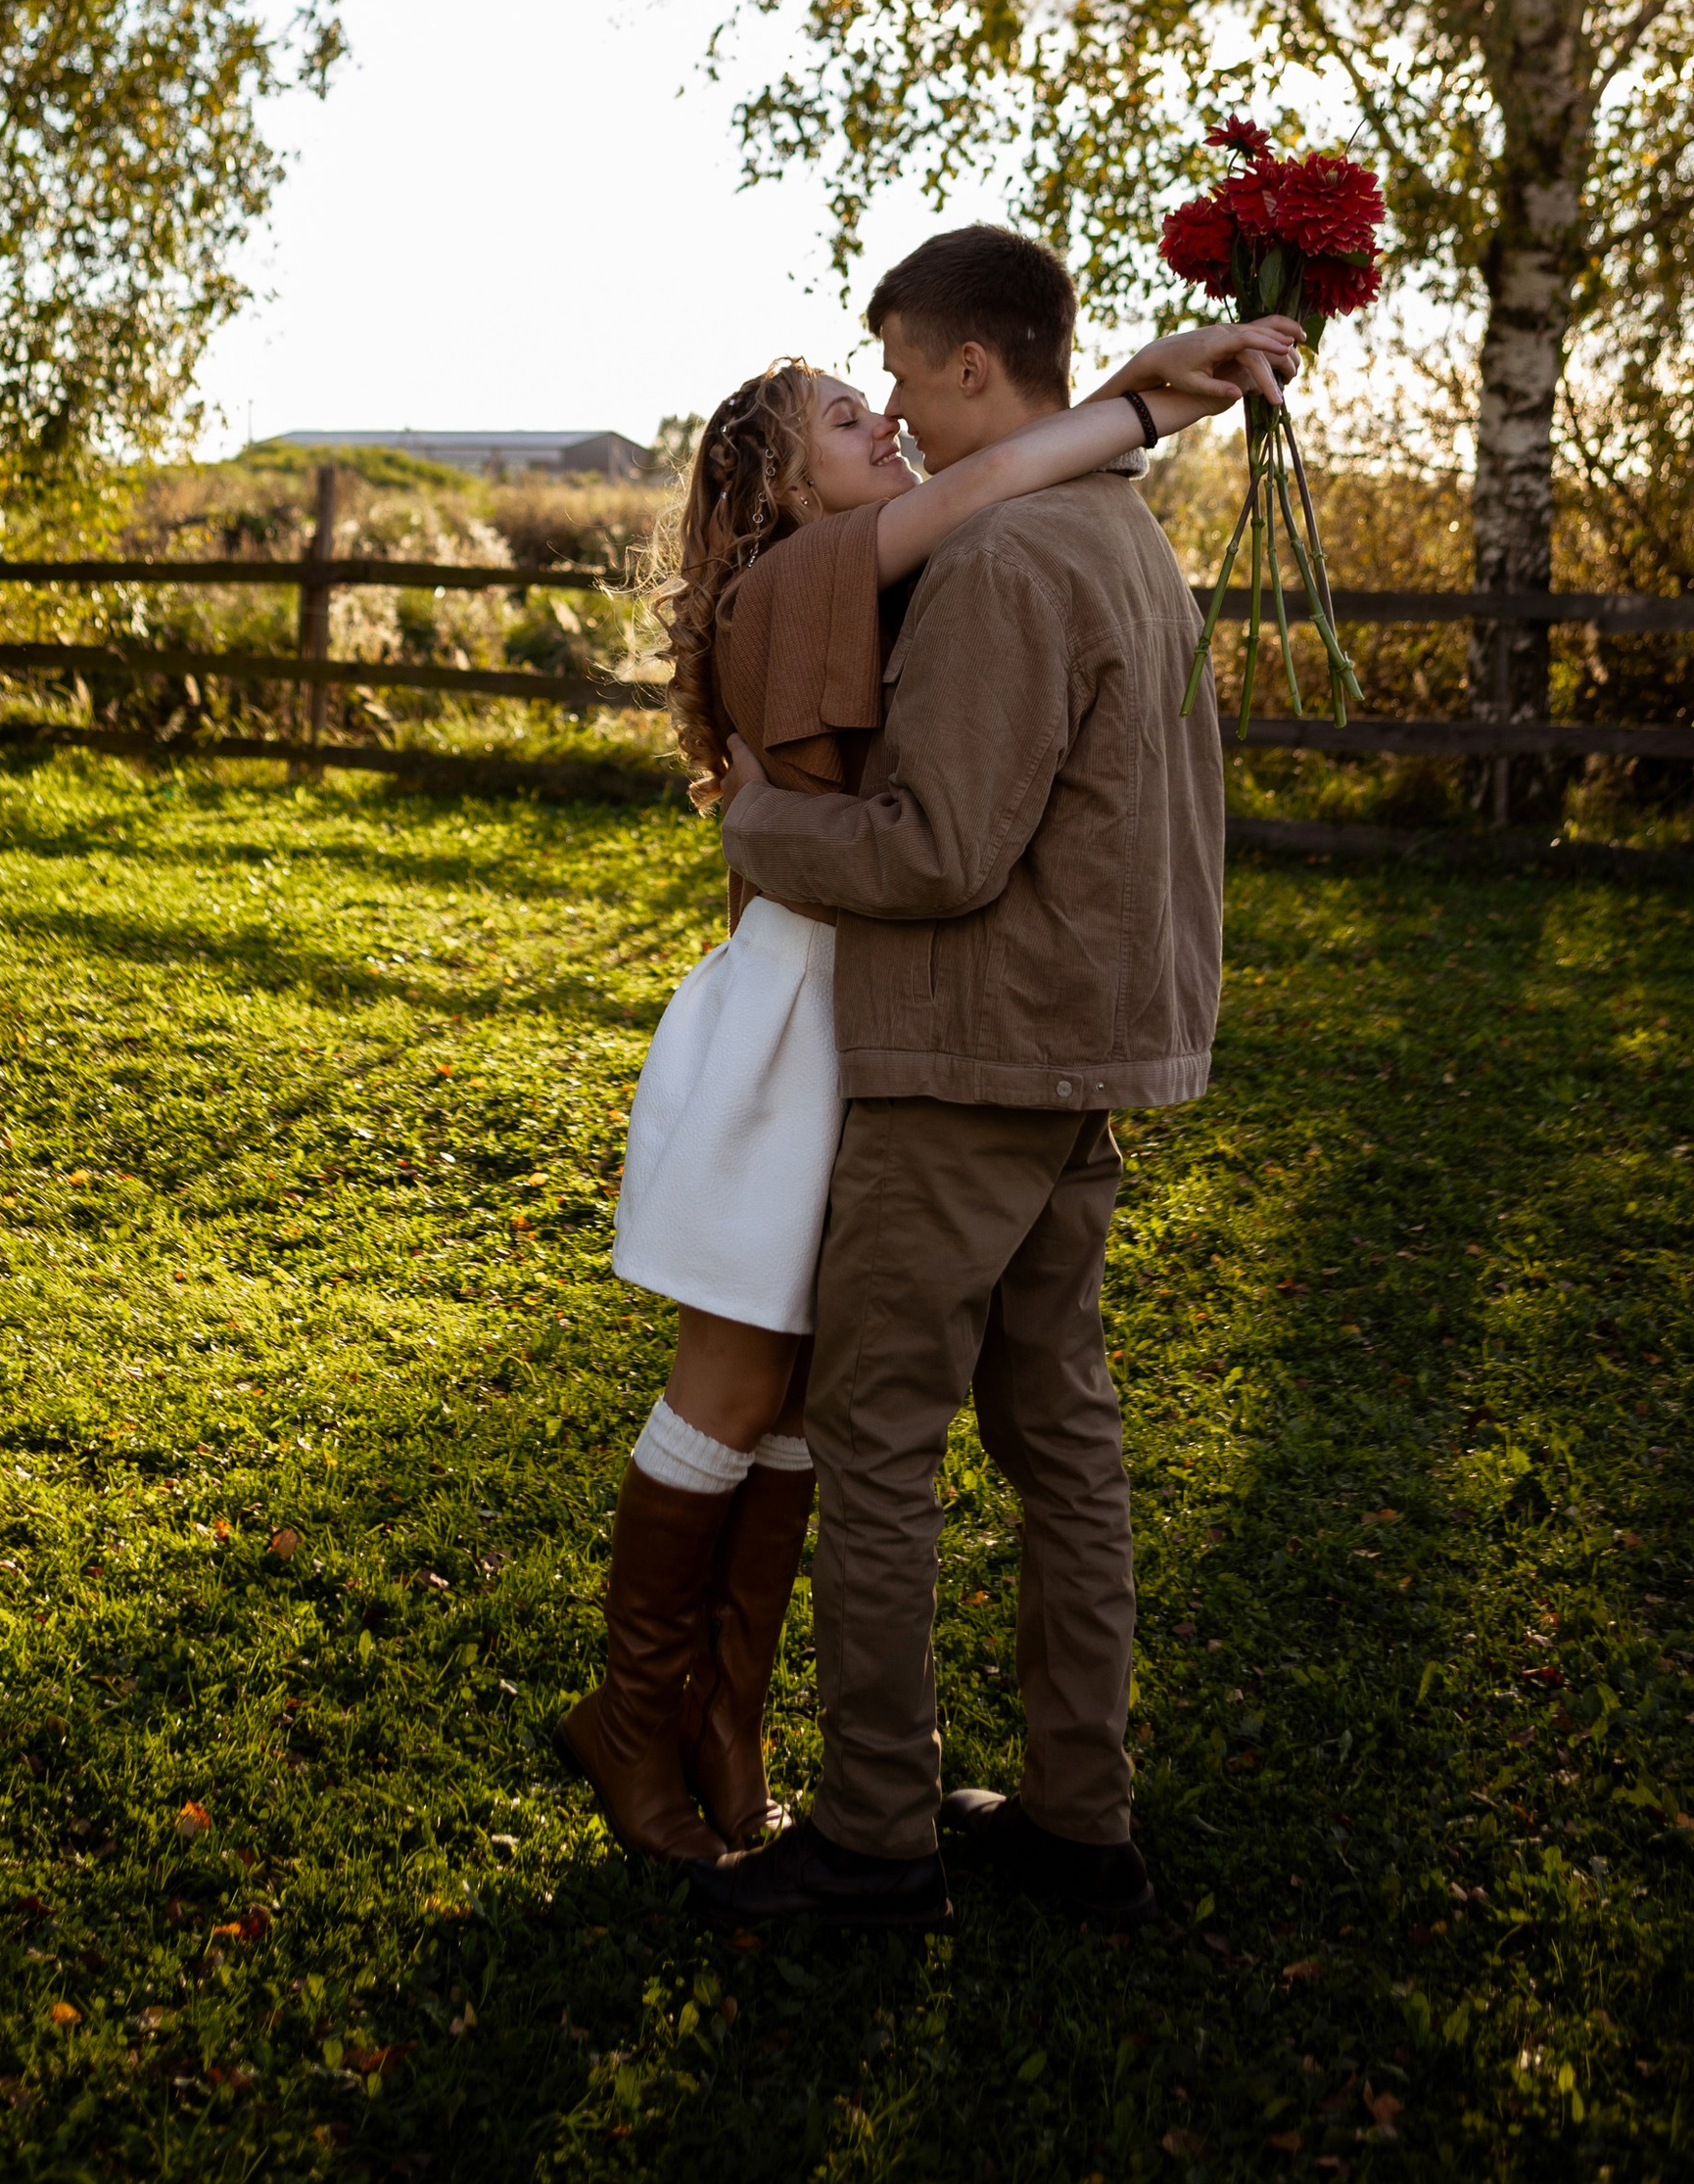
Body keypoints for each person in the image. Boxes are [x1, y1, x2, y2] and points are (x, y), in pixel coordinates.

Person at [551, 271, 1294, 1873]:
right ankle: (657, 1711)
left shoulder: (952, 561)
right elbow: (993, 474)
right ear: (777, 483)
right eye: (845, 408)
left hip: (909, 1028)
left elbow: (993, 487)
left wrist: (1145, 396)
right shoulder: (810, 578)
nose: (883, 414)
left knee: (831, 1403)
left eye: (890, 384)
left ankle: (734, 1731)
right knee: (757, 1384)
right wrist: (1146, 399)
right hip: (809, 1029)